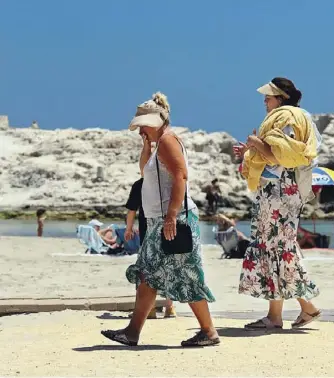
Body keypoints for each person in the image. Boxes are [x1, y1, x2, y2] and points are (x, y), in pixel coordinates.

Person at [101, 92, 219, 347]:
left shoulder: (168, 141)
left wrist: (172, 217)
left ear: (155, 121)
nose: (140, 129)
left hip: (173, 219)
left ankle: (208, 332)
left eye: (143, 124)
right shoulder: (159, 144)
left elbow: (181, 176)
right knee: (149, 274)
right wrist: (147, 147)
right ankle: (132, 332)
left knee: (184, 275)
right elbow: (145, 173)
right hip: (161, 220)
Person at [233, 77, 322, 330]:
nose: (265, 100)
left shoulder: (287, 118)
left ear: (281, 97)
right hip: (281, 192)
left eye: (268, 96)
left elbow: (284, 157)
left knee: (277, 247)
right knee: (274, 248)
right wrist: (249, 153)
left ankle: (304, 308)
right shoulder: (294, 116)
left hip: (279, 194)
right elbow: (277, 155)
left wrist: (255, 143)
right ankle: (279, 315)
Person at [125, 177, 176, 319]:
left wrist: (128, 229)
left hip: (147, 233)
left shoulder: (140, 184)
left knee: (146, 271)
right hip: (168, 231)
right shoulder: (168, 182)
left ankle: (151, 309)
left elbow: (131, 210)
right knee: (167, 268)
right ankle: (170, 308)